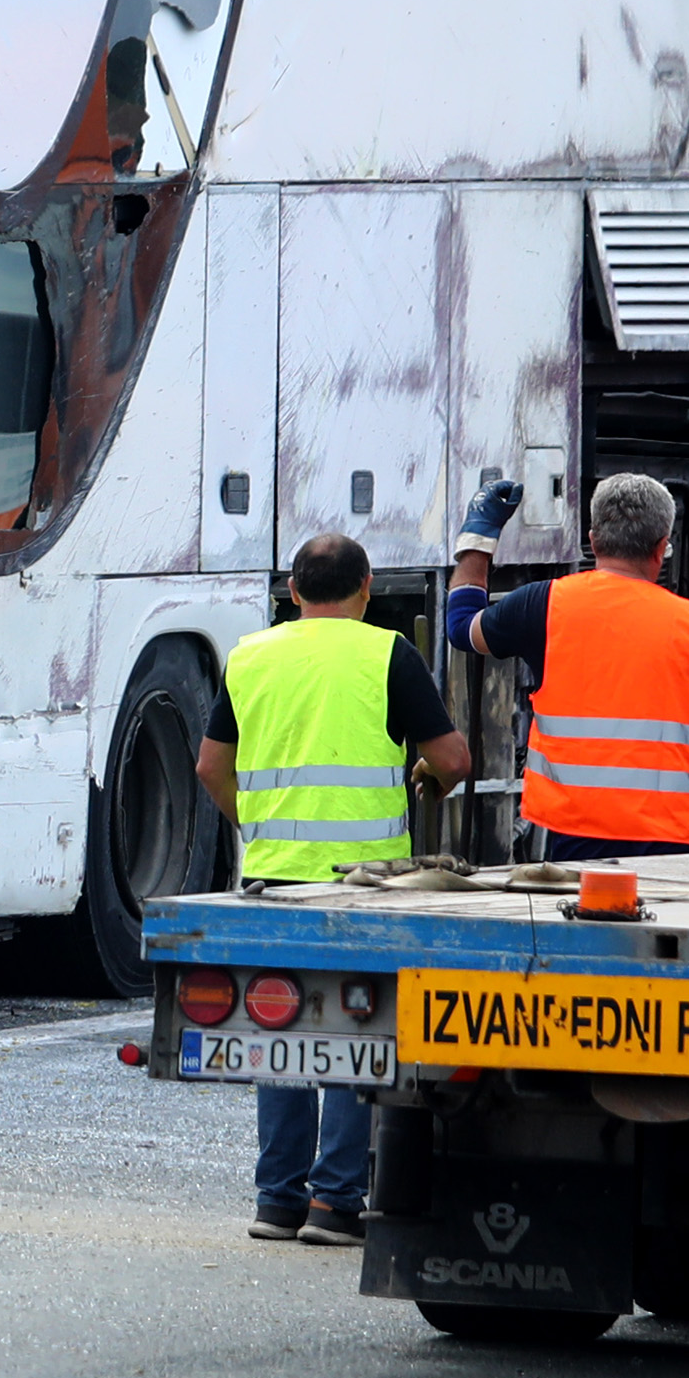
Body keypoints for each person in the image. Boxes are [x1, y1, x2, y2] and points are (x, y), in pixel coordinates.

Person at [195, 532, 471, 1246]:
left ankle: (277, 1200)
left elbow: (208, 768)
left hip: (271, 873)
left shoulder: (250, 656)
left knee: (280, 1030)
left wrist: (255, 823)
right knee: (353, 1033)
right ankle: (334, 1204)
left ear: (293, 592)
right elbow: (452, 758)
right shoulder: (386, 653)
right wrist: (428, 781)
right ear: (367, 587)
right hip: (363, 880)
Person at [445, 471, 689, 859]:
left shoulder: (543, 605)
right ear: (660, 548)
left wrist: (478, 537)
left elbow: (462, 628)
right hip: (677, 844)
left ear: (594, 541)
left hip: (573, 839)